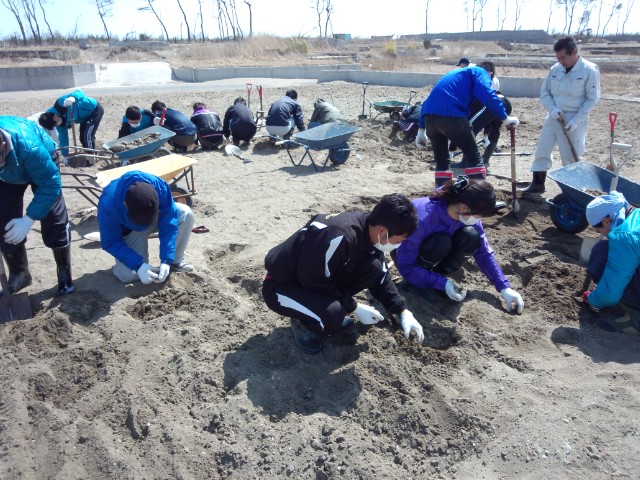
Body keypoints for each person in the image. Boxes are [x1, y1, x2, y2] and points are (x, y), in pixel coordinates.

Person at [262, 193, 425, 354]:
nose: (398, 245)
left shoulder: (371, 231)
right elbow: (312, 280)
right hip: (282, 285)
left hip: (313, 276)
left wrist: (403, 311)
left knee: (373, 267)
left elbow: (381, 275)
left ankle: (321, 307)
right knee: (332, 317)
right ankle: (302, 322)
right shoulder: (339, 237)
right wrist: (353, 306)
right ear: (383, 231)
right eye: (398, 241)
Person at [394, 177, 524, 314]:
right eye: (479, 215)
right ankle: (414, 284)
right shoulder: (423, 217)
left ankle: (436, 277)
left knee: (471, 236)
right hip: (406, 256)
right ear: (463, 207)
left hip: (432, 250)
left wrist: (504, 287)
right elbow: (406, 266)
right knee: (441, 242)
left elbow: (484, 252)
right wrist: (442, 283)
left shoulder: (466, 213)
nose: (479, 220)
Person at [0, 116, 74, 297]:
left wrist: (28, 219)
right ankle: (20, 274)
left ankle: (64, 274)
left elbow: (50, 184)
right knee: (4, 222)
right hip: (7, 175)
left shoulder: (29, 147)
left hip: (42, 165)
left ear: (3, 145)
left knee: (55, 220)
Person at [415, 61, 519, 186]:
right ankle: (479, 194)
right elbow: (487, 94)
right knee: (474, 158)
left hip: (429, 119)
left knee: (442, 161)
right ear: (490, 74)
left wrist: (421, 129)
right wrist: (505, 118)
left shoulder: (453, 75)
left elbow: (427, 101)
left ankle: (441, 192)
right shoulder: (481, 72)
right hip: (451, 115)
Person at [521, 36, 601, 194]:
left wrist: (577, 120)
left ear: (574, 52)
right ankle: (538, 184)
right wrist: (552, 108)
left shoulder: (589, 70)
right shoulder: (555, 69)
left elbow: (592, 99)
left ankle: (573, 191)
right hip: (554, 115)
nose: (561, 61)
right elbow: (545, 93)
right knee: (542, 149)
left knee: (570, 155)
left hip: (574, 118)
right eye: (558, 58)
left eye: (563, 57)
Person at [97, 171, 195, 284]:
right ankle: (121, 269)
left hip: (153, 220)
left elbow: (169, 220)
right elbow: (111, 242)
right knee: (130, 275)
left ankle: (175, 262)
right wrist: (138, 266)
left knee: (185, 213)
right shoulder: (108, 203)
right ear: (125, 204)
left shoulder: (159, 186)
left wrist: (167, 260)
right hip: (130, 230)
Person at [583, 191, 640, 334]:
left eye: (599, 230)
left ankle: (635, 319)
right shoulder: (636, 214)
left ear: (607, 221)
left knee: (602, 252)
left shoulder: (625, 236)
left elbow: (611, 293)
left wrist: (593, 299)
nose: (602, 234)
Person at [449, 93, 512, 168]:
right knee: (494, 129)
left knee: (470, 129)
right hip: (506, 104)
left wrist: (451, 150)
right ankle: (485, 159)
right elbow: (488, 121)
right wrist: (486, 134)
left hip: (492, 103)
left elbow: (462, 128)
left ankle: (465, 162)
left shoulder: (464, 106)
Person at [39, 90, 104, 156]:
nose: (57, 118)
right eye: (55, 122)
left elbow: (80, 92)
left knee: (87, 135)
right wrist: (65, 155)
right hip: (84, 118)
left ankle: (91, 155)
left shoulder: (61, 103)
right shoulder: (59, 124)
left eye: (55, 117)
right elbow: (63, 138)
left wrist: (73, 97)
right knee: (82, 138)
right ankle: (88, 153)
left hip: (94, 110)